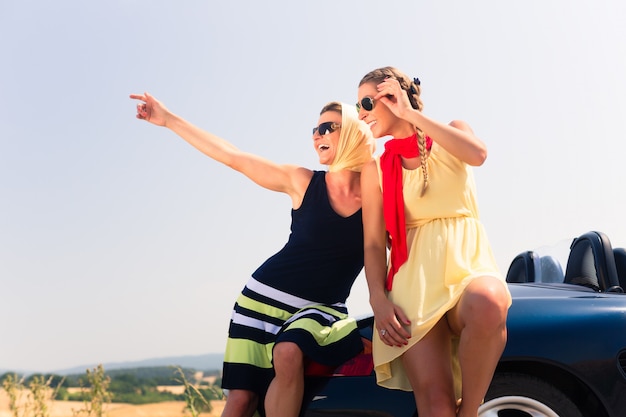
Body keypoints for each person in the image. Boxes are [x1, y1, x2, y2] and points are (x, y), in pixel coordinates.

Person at [130, 92, 375, 417]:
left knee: (288, 353)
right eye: (314, 130)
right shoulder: (302, 181)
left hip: (321, 309)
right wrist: (169, 120)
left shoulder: (377, 200)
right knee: (242, 401)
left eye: (328, 126)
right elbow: (233, 156)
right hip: (259, 303)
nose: (317, 135)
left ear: (354, 133)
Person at [357, 67, 512, 417]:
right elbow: (372, 243)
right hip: (412, 285)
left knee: (490, 300)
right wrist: (378, 298)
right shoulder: (376, 169)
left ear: (394, 95)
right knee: (436, 408)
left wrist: (410, 114)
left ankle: (471, 410)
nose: (362, 113)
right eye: (358, 107)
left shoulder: (452, 132)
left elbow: (478, 155)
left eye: (367, 102)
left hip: (466, 268)